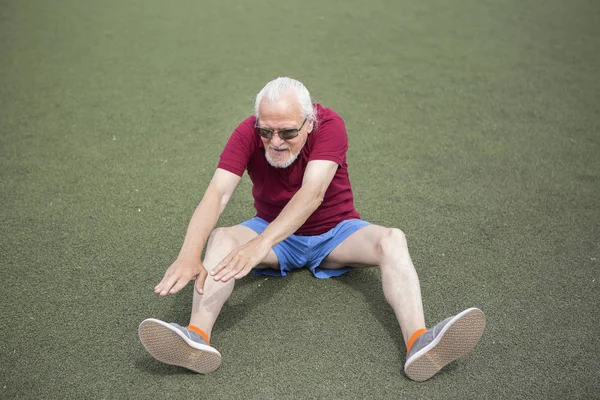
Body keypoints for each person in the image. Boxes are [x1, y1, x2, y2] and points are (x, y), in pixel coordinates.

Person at [138, 77, 486, 382]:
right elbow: (217, 193)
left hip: (336, 232)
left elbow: (312, 194)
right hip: (274, 234)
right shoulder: (246, 133)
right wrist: (188, 255)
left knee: (392, 240)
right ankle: (197, 337)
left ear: (309, 122)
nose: (274, 141)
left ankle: (419, 342)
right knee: (221, 238)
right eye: (265, 130)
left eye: (288, 132)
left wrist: (260, 244)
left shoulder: (331, 124)